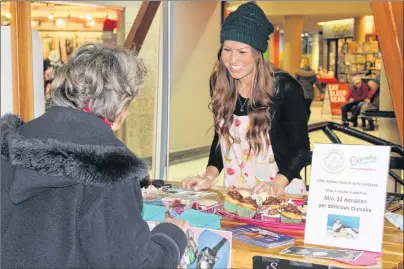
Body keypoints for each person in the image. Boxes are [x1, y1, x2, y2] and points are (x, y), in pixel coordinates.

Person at [1, 43, 188, 268]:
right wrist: (172, 235)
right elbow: (135, 263)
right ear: (119, 108)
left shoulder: (12, 143)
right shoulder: (110, 168)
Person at [181, 2, 310, 197]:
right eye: (227, 50)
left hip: (281, 192)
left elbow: (301, 150)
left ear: (258, 53)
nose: (233, 60)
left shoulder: (284, 88)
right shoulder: (219, 83)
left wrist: (275, 185)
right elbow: (223, 137)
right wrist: (209, 176)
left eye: (242, 52)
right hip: (236, 192)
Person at [295, 57, 323, 121]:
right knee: (307, 108)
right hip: (310, 94)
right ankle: (306, 121)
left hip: (301, 94)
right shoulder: (312, 73)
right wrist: (322, 91)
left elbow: (294, 82)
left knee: (301, 108)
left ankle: (302, 122)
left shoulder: (298, 72)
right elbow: (317, 83)